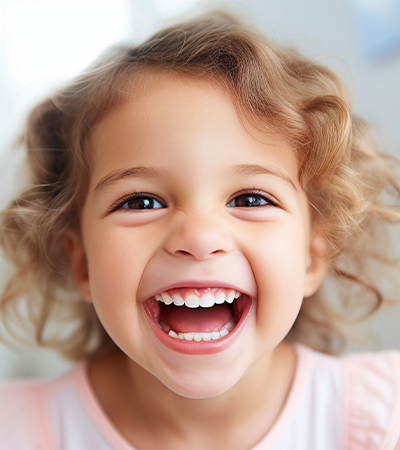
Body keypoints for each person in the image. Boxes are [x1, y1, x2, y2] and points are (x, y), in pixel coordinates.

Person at [1, 10, 400, 449]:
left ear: (312, 255)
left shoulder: (382, 421)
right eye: (141, 202)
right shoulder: (16, 431)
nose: (199, 238)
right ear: (81, 262)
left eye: (250, 199)